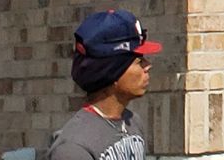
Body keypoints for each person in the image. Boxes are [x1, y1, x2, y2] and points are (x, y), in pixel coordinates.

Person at [47, 10, 161, 160]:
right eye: (139, 61)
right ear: (112, 72)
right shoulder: (73, 149)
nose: (148, 66)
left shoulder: (133, 121)